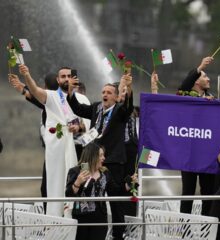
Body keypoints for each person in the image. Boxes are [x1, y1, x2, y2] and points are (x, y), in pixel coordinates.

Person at [15, 64, 88, 217]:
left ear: (74, 78)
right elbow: (34, 91)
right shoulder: (52, 96)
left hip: (78, 151)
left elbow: (88, 126)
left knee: (76, 186)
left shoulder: (81, 98)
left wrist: (78, 128)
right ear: (58, 79)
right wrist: (27, 75)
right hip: (56, 150)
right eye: (63, 76)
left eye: (69, 76)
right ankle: (54, 222)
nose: (67, 79)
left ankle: (75, 223)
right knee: (52, 186)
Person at [67, 74, 133, 239]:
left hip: (113, 161)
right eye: (103, 92)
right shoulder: (97, 107)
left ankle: (118, 235)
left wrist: (129, 89)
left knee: (115, 202)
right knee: (86, 195)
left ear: (116, 97)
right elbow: (78, 108)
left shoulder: (119, 110)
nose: (105, 95)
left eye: (109, 92)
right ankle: (88, 230)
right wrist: (70, 91)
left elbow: (128, 109)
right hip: (92, 161)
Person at [65, 142, 137, 240]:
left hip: (100, 219)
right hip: (81, 219)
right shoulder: (76, 171)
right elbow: (68, 195)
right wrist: (77, 182)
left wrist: (129, 183)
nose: (104, 158)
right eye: (101, 155)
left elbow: (115, 191)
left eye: (103, 155)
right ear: (92, 156)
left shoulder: (105, 172)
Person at [176, 56, 216, 215]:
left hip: (207, 154)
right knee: (188, 192)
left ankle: (207, 229)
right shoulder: (186, 97)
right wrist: (199, 67)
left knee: (208, 192)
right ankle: (183, 231)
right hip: (189, 153)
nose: (209, 78)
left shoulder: (212, 99)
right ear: (196, 81)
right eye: (205, 76)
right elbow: (182, 87)